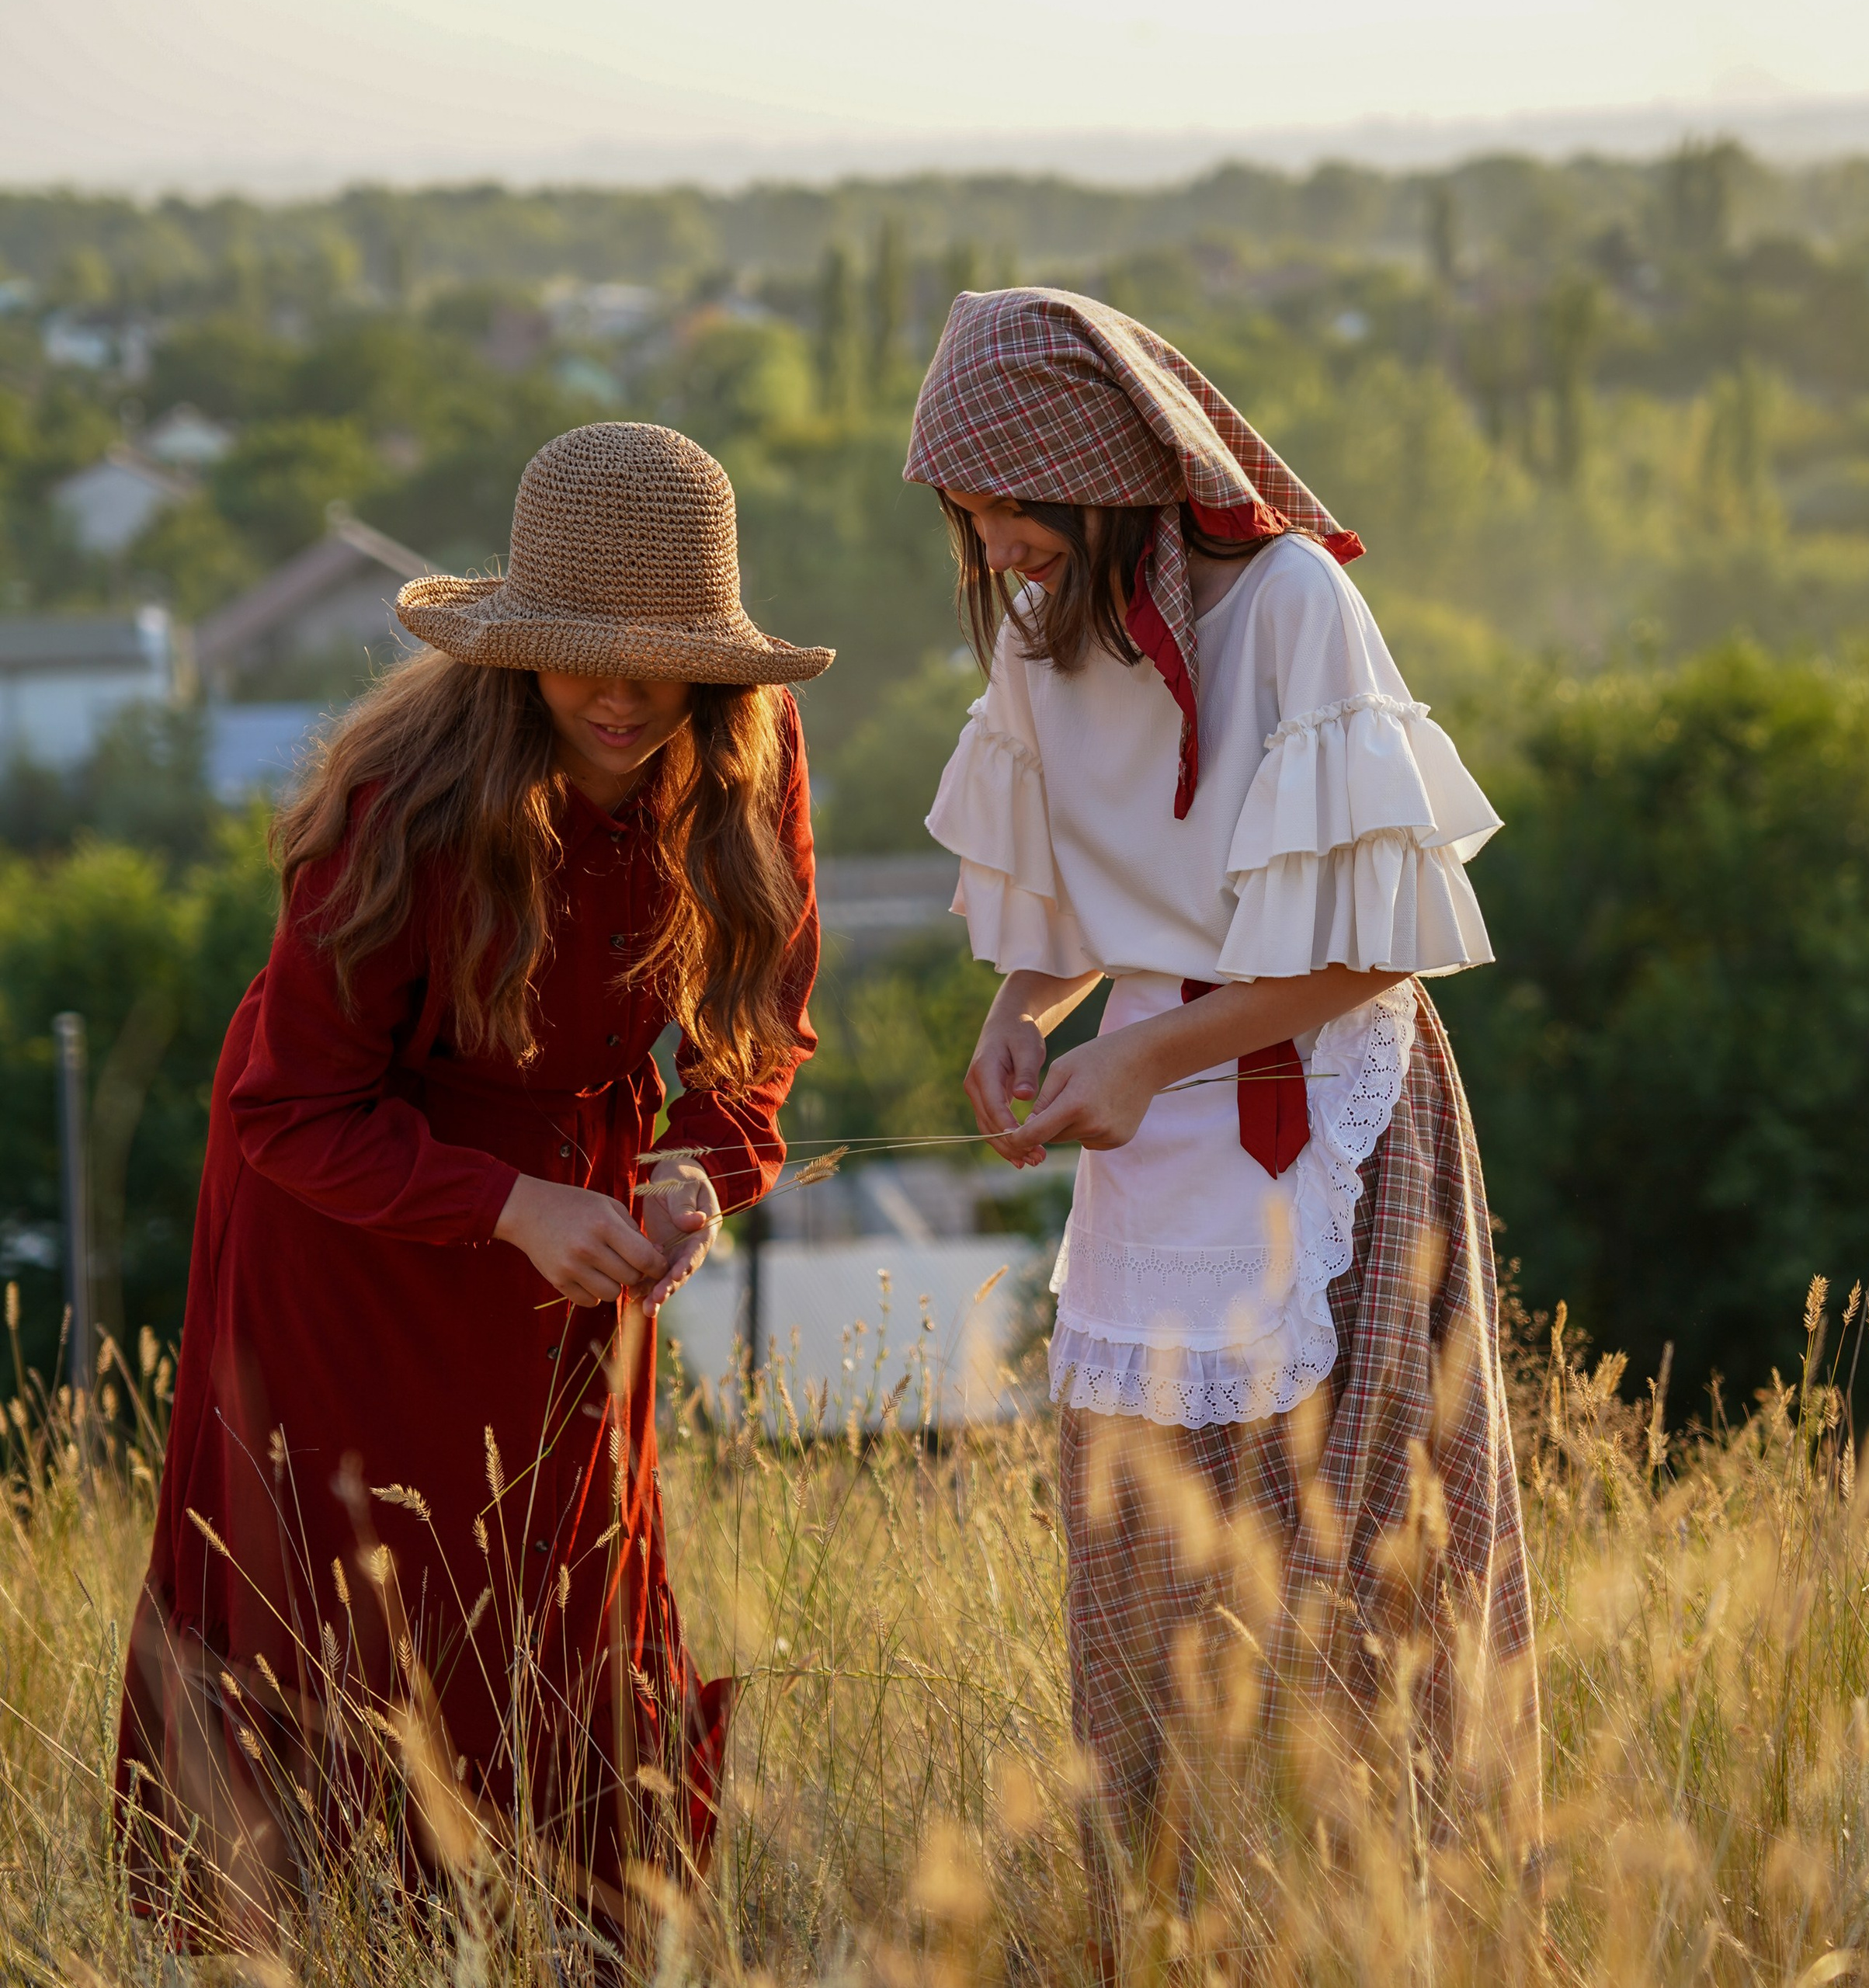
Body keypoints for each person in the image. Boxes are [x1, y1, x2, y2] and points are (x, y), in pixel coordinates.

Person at [116, 421, 829, 1945]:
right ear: (517, 651)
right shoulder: (406, 799)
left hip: (577, 1202)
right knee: (350, 1606)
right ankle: (338, 1942)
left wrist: (698, 1168)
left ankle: (590, 1938)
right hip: (346, 1227)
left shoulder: (747, 756)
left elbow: (757, 1023)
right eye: (587, 656)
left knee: (569, 1598)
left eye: (664, 660)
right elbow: (289, 1102)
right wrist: (510, 1205)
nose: (627, 695)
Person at [909, 290, 1540, 1955]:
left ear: (1108, 472)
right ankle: (1168, 1908)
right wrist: (1018, 1013)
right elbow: (1065, 888)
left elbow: (1374, 942)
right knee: (1147, 1565)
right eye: (966, 515)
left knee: (1359, 1568)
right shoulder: (1042, 624)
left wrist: (1155, 1050)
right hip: (1150, 1130)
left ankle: (1376, 1923)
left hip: (1319, 1106)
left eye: (1014, 504)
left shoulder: (1291, 606)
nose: (995, 544)